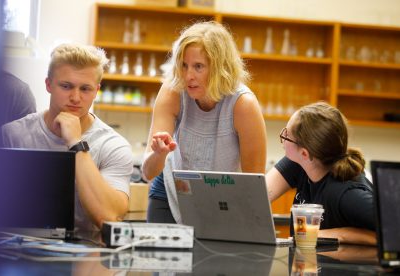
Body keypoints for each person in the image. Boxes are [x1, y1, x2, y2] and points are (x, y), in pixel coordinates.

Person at [142, 21, 267, 223]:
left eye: (198, 66)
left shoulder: (243, 105)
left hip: (220, 197)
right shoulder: (173, 91)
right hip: (171, 191)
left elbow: (254, 185)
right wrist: (159, 153)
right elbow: (148, 173)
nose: (188, 76)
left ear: (220, 68)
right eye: (184, 65)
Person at [0, 43, 133, 230]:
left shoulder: (112, 145)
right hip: (16, 249)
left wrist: (76, 143)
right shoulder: (12, 135)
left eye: (85, 89)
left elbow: (109, 217)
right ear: (48, 85)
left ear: (96, 90)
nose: (76, 98)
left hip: (86, 252)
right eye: (66, 86)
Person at [266, 102, 375, 245]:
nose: (282, 139)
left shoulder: (347, 194)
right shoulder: (299, 165)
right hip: (307, 264)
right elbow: (255, 196)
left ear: (305, 153)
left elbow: (392, 231)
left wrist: (338, 235)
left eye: (286, 136)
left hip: (341, 266)